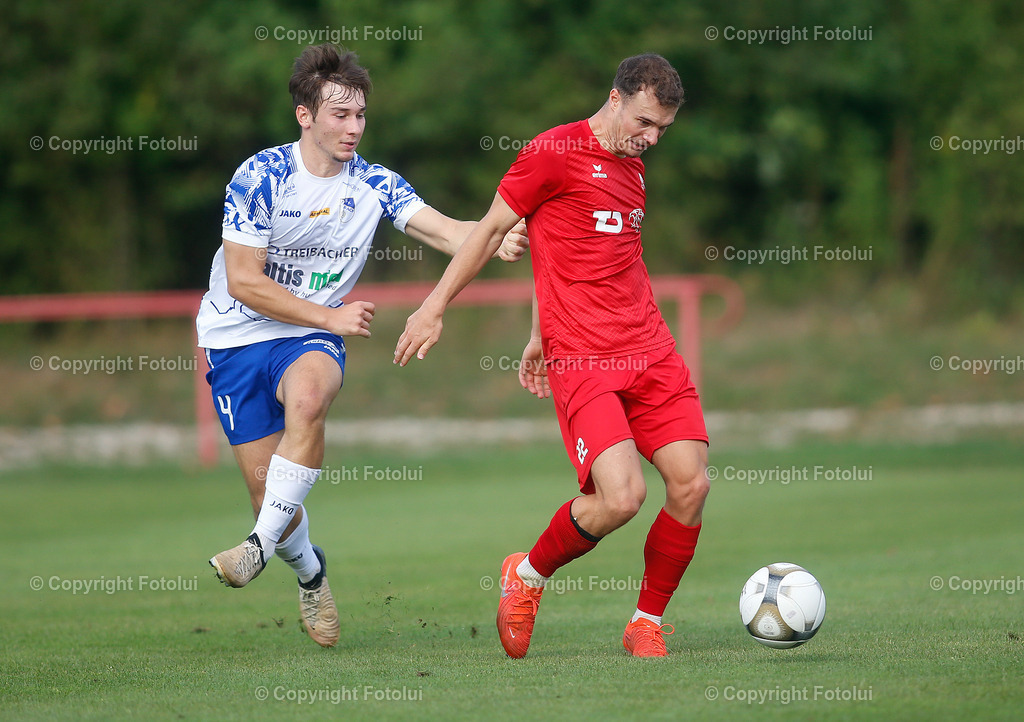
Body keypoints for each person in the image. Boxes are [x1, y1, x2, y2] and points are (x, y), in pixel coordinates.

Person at [197, 43, 526, 648]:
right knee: (268, 494)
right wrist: (331, 313)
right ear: (305, 115)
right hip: (236, 335)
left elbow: (443, 230)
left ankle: (255, 549)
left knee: (310, 396)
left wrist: (491, 235)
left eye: (360, 115)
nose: (353, 127)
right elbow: (245, 281)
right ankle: (309, 571)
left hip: (312, 335)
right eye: (340, 114)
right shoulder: (260, 176)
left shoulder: (374, 183)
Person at [394, 53, 709, 658]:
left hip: (649, 347)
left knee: (692, 484)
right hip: (585, 356)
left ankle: (646, 622)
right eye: (644, 122)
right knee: (622, 498)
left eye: (663, 129)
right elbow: (491, 230)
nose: (651, 138)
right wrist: (434, 306)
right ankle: (527, 576)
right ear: (614, 98)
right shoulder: (552, 153)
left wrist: (537, 332)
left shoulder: (634, 171)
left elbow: (571, 253)